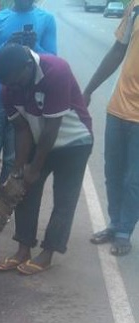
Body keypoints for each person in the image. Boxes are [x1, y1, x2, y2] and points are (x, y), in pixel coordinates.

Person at [0, 44, 93, 275]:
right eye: (10, 84)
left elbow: (52, 128)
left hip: (74, 142)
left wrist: (35, 168)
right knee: (24, 191)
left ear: (28, 65)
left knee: (64, 200)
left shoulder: (56, 70)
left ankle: (48, 254)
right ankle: (23, 249)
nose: (15, 87)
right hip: (40, 139)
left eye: (18, 81)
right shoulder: (8, 88)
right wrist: (19, 169)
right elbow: (21, 129)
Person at [0, 0, 56, 203]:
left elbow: (53, 61)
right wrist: (7, 46)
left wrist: (34, 45)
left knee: (13, 159)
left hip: (28, 101)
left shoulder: (46, 20)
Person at [83, 1, 139, 256]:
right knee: (113, 172)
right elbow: (118, 50)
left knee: (133, 179)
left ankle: (124, 231)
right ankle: (115, 223)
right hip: (118, 108)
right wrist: (90, 88)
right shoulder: (135, 7)